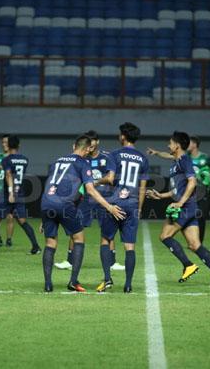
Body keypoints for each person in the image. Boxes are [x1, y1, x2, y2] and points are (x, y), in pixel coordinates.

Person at [40, 135, 125, 292]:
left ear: (73, 146)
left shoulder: (57, 161)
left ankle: (48, 284)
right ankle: (73, 281)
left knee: (50, 243)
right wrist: (109, 207)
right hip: (64, 204)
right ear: (87, 149)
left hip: (46, 203)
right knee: (79, 238)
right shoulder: (83, 163)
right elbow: (90, 190)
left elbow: (50, 184)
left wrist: (44, 217)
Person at [147, 131, 210, 287]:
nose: (168, 145)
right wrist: (161, 195)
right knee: (194, 245)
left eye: (170, 143)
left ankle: (188, 265)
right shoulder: (177, 161)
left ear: (177, 145)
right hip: (191, 208)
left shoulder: (184, 160)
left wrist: (180, 203)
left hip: (185, 208)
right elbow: (177, 190)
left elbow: (192, 183)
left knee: (165, 236)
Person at [55, 130, 125, 271]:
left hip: (104, 198)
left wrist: (94, 183)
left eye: (93, 141)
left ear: (97, 142)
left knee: (107, 229)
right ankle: (70, 261)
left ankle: (111, 262)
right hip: (84, 199)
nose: (91, 145)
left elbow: (110, 179)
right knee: (76, 228)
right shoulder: (82, 158)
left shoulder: (107, 156)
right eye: (89, 142)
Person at [95, 122, 149, 293]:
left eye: (120, 134)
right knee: (129, 246)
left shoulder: (114, 154)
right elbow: (142, 188)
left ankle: (108, 279)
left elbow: (110, 179)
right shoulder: (143, 158)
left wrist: (96, 181)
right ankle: (128, 284)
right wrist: (139, 208)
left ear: (124, 136)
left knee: (106, 240)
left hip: (115, 203)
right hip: (132, 204)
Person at [148, 135, 210, 242]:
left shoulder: (205, 157)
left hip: (201, 191)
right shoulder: (184, 157)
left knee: (200, 216)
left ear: (195, 144)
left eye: (190, 143)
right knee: (188, 214)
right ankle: (193, 241)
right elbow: (168, 155)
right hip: (188, 190)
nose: (187, 145)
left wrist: (207, 176)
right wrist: (157, 153)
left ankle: (198, 242)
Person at [0, 135, 40, 255]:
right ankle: (36, 247)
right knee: (22, 221)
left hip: (8, 195)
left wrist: (11, 192)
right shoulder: (25, 159)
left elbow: (8, 175)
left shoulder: (6, 160)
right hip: (20, 193)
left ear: (8, 145)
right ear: (18, 145)